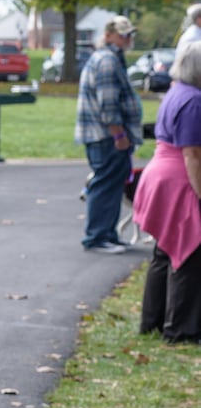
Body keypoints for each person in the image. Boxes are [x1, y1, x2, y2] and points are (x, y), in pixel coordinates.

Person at [136, 42, 201, 341]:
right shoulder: (195, 101)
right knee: (188, 252)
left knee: (164, 252)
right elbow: (193, 155)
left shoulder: (176, 92)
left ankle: (153, 321)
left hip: (160, 174)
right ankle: (182, 329)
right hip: (179, 179)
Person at [76, 15, 144, 253]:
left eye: (128, 34)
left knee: (113, 185)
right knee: (105, 184)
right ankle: (96, 237)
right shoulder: (107, 61)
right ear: (108, 35)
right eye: (122, 34)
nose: (127, 39)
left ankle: (108, 233)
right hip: (106, 137)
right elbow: (108, 103)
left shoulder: (111, 58)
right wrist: (118, 135)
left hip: (105, 135)